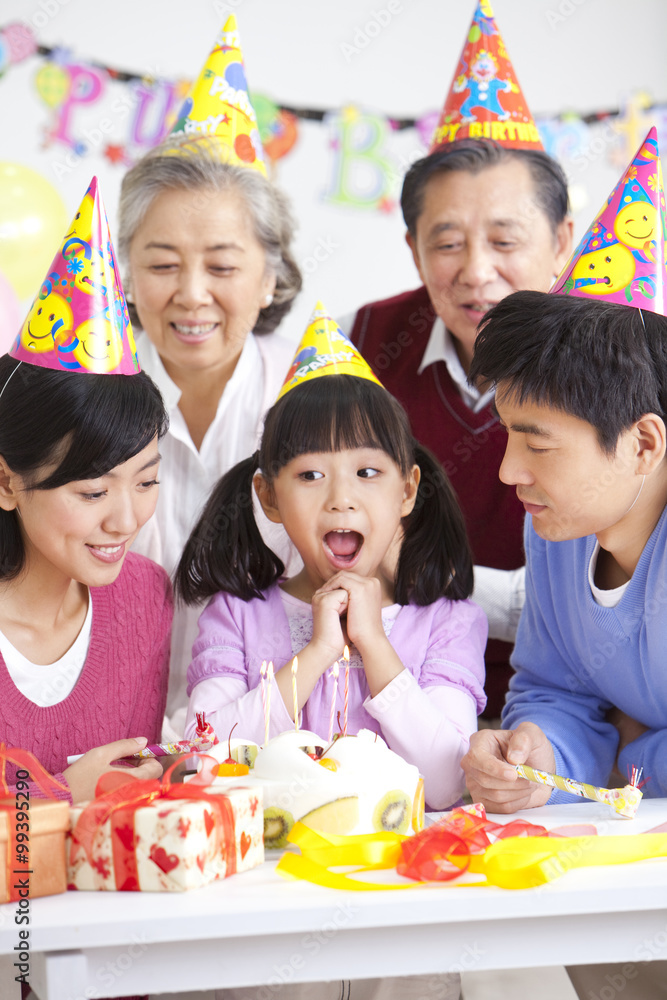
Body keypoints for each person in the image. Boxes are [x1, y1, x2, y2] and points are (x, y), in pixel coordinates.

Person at [178, 359, 487, 810]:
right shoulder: (235, 615)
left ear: (407, 490)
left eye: (366, 473)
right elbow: (201, 760)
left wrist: (375, 644)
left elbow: (443, 786)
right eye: (310, 476)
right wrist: (318, 653)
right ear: (268, 496)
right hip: (269, 872)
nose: (341, 499)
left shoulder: (449, 622)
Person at [347, 137, 573, 719]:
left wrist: (423, 579)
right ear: (415, 250)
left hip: (574, 708)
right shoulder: (358, 345)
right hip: (384, 706)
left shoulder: (619, 364)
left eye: (505, 241)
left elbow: (603, 596)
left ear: (562, 242)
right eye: (447, 243)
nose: (476, 271)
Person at [118, 137, 302, 739]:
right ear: (125, 269)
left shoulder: (315, 400)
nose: (192, 293)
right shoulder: (76, 398)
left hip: (270, 743)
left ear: (269, 278)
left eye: (222, 266)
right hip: (95, 742)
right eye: (163, 264)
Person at [0, 353, 172, 805]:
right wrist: (60, 795)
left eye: (147, 481)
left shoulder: (145, 597)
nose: (126, 521)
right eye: (93, 492)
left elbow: (134, 800)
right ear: (5, 482)